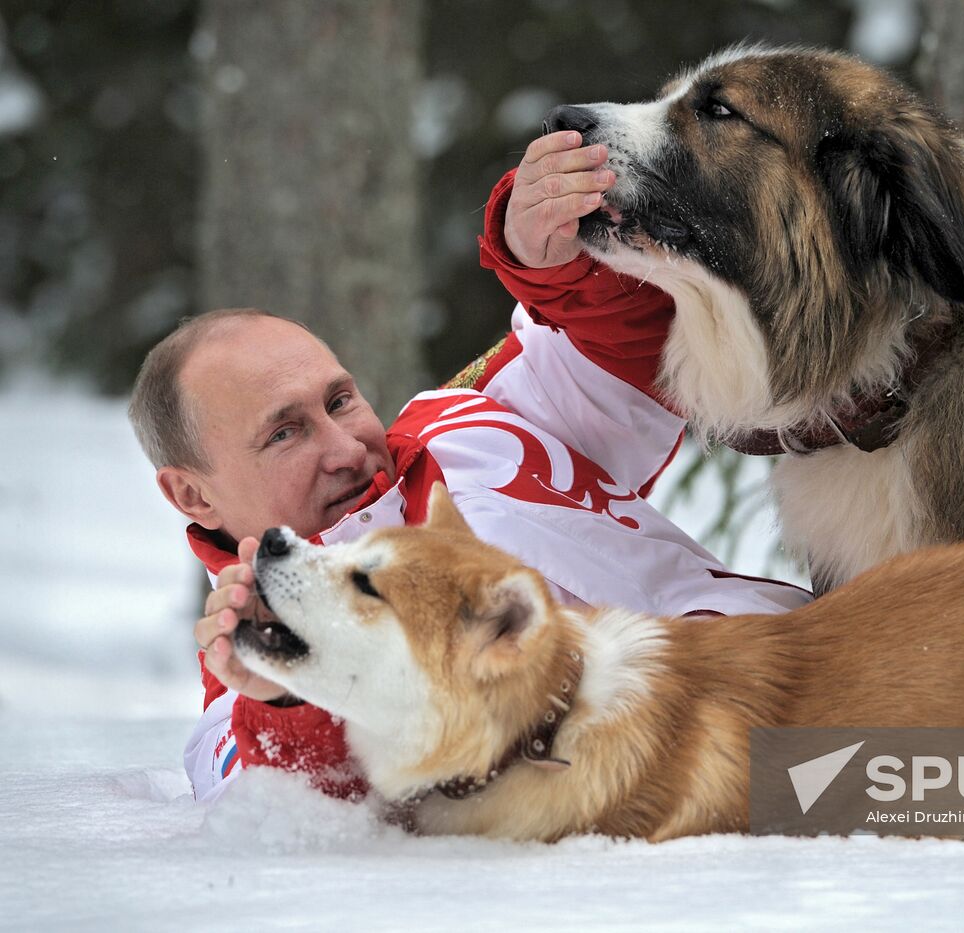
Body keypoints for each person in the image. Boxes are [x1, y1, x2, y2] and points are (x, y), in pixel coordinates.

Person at [130, 131, 811, 802]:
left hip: (822, 659)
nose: (344, 448)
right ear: (193, 493)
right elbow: (287, 812)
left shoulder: (464, 422)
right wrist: (291, 684)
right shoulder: (244, 688)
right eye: (285, 433)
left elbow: (636, 344)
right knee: (907, 795)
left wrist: (542, 252)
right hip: (726, 791)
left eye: (340, 399)